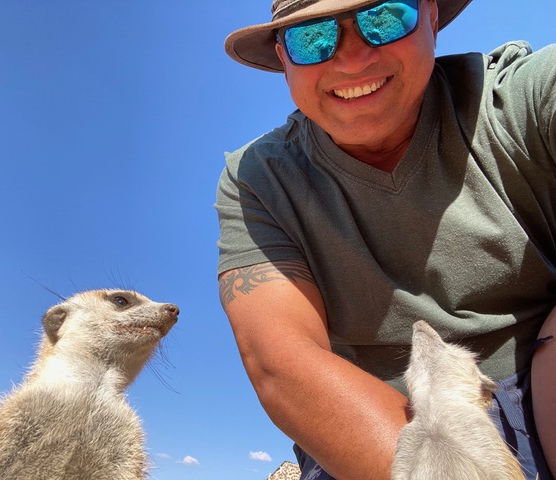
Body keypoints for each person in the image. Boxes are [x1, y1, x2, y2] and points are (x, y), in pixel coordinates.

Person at [215, 0, 556, 479]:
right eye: (311, 38)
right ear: (283, 58)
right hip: (380, 431)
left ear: (431, 16)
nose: (353, 60)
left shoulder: (520, 98)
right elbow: (284, 360)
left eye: (386, 18)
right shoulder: (257, 177)